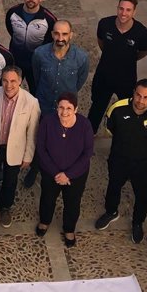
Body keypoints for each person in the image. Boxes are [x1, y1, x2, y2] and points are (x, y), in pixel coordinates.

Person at [95, 79, 147, 243]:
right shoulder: (117, 109)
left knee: (142, 195)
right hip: (118, 159)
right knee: (113, 186)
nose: (140, 101)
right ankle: (111, 212)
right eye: (138, 95)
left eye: (146, 97)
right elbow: (110, 129)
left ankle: (138, 223)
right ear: (133, 93)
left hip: (143, 164)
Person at [34, 93, 94, 246]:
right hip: (51, 172)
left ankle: (69, 229)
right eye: (61, 107)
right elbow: (41, 149)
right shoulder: (47, 122)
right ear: (57, 108)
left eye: (69, 108)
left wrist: (68, 175)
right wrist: (56, 173)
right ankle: (44, 221)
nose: (64, 112)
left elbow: (87, 153)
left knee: (72, 202)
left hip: (76, 175)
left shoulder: (85, 125)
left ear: (76, 109)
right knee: (47, 198)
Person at [0, 67, 41, 227]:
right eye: (5, 81)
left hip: (16, 149)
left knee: (10, 180)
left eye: (13, 81)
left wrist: (28, 156)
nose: (9, 85)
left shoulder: (31, 102)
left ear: (20, 81)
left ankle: (5, 207)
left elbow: (32, 132)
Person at [86, 0, 147, 132]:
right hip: (104, 75)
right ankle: (89, 134)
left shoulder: (142, 33)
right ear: (117, 8)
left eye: (128, 10)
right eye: (121, 9)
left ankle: (123, 134)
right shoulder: (105, 24)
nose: (123, 13)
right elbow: (101, 43)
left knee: (127, 110)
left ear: (134, 12)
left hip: (126, 79)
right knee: (97, 107)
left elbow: (142, 52)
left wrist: (126, 59)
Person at [31, 20, 90, 113]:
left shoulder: (81, 57)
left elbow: (79, 82)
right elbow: (36, 76)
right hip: (44, 105)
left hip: (67, 108)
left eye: (64, 34)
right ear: (52, 34)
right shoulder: (39, 53)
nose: (60, 38)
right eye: (56, 34)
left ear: (71, 35)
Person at [5, 0, 57, 82]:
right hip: (15, 60)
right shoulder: (13, 12)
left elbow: (50, 41)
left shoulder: (49, 19)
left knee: (36, 89)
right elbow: (10, 29)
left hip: (36, 62)